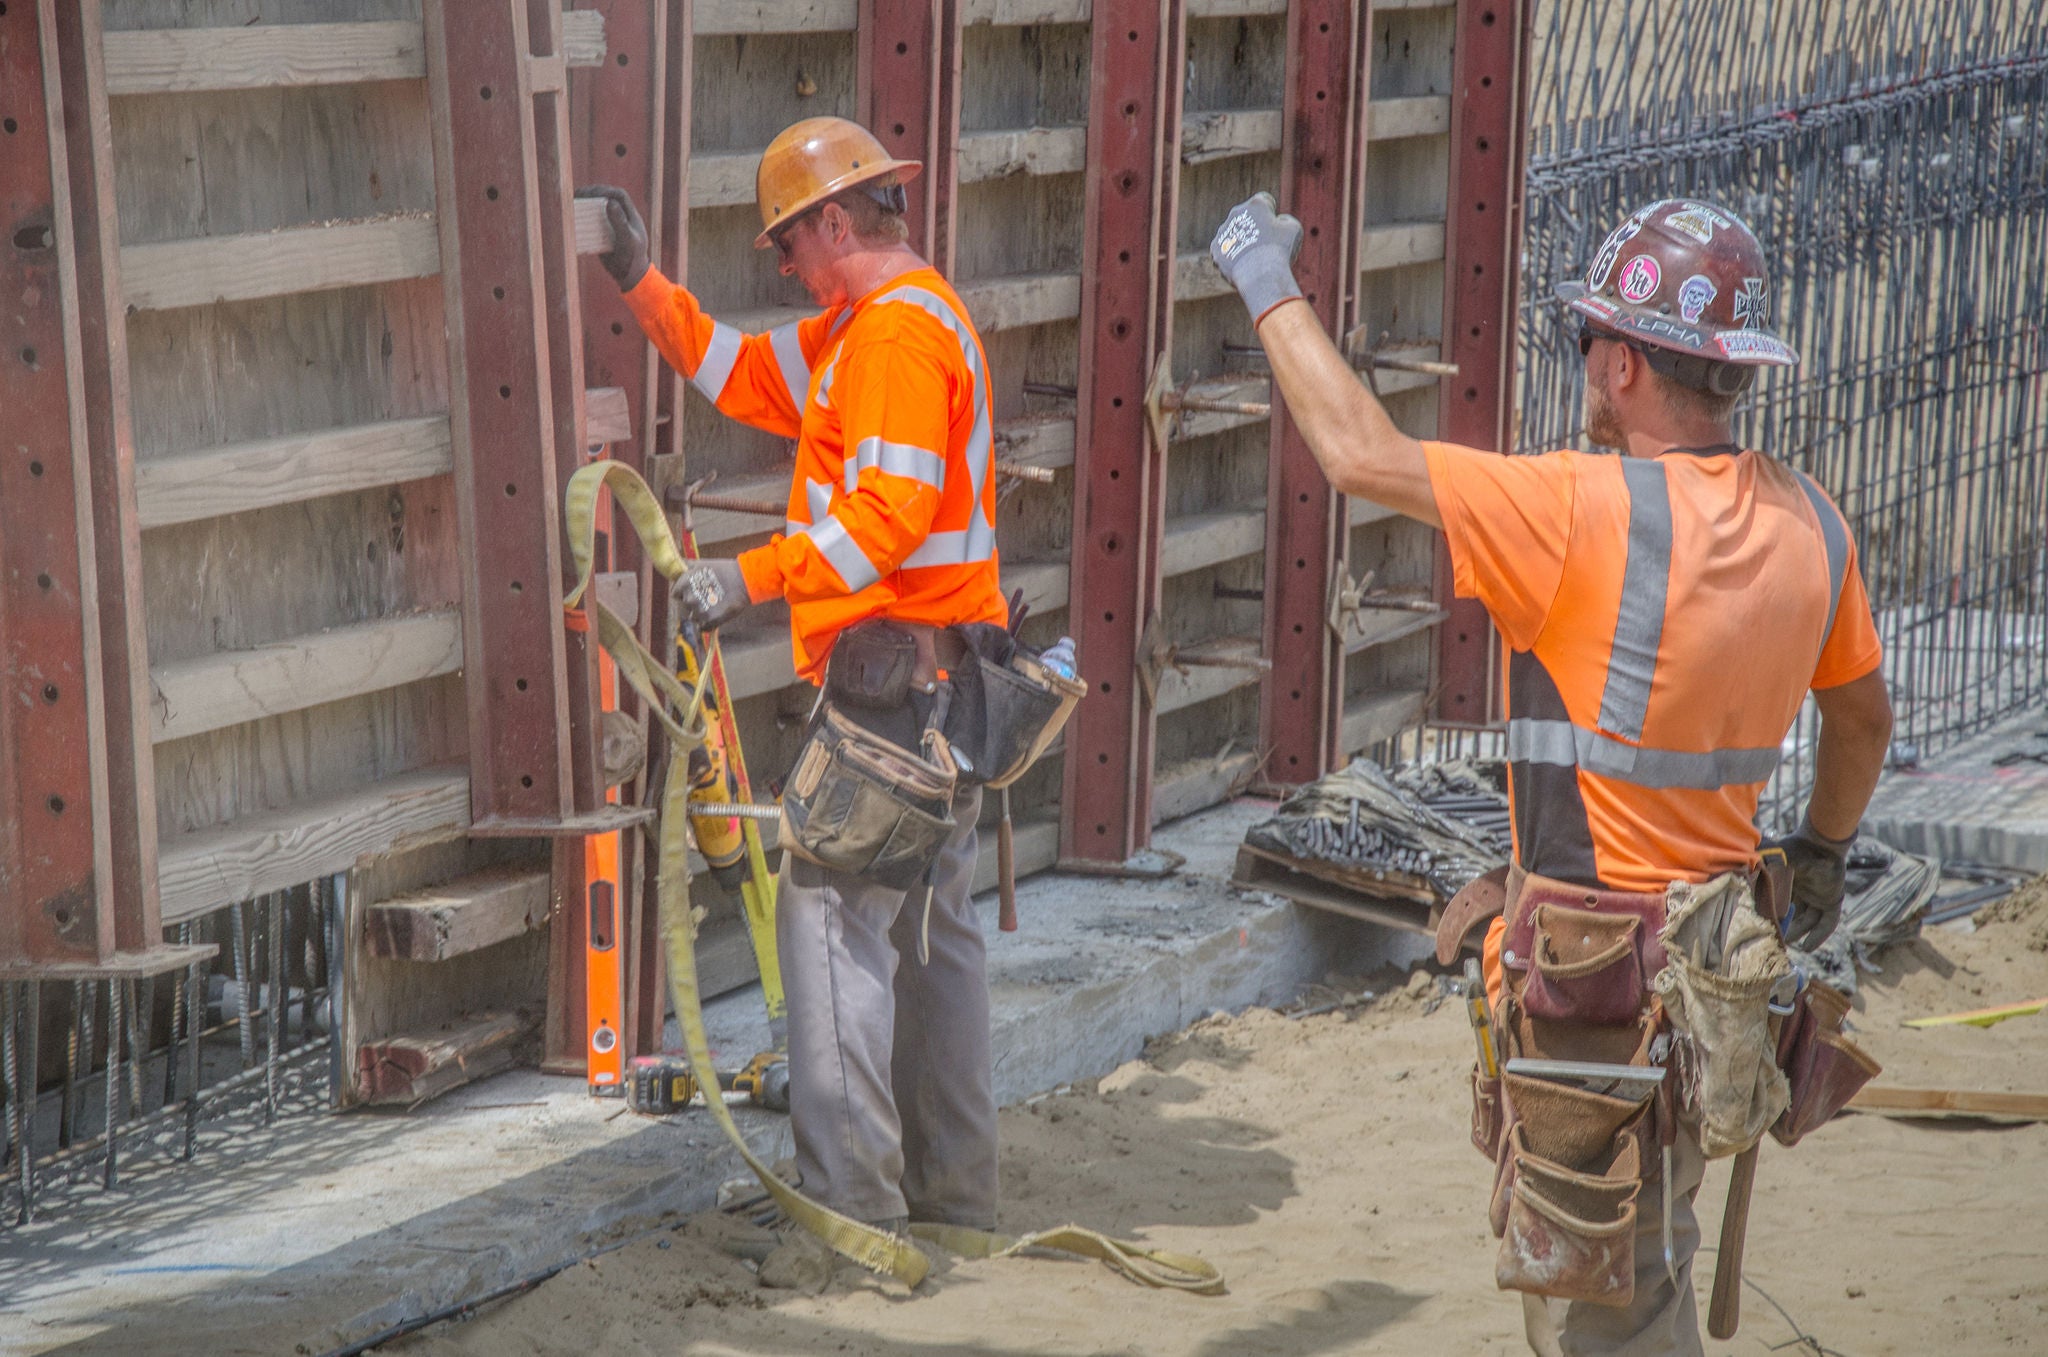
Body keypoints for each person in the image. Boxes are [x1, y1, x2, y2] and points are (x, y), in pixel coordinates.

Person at [1208, 192, 1893, 1354]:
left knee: (1606, 1309)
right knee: (1644, 1255)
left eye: (1587, 344)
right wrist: (1819, 853)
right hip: (1712, 972)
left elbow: (1357, 453)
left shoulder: (1574, 511)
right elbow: (1862, 724)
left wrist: (1257, 276)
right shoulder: (1811, 524)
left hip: (1592, 994)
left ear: (1622, 364)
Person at [580, 115, 1009, 1239]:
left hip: (893, 692)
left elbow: (884, 521)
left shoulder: (894, 342)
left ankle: (850, 1215)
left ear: (832, 221)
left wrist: (749, 577)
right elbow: (735, 373)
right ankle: (953, 1196)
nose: (778, 266)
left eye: (784, 242)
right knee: (931, 939)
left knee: (830, 928)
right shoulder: (861, 330)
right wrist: (642, 283)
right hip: (941, 687)